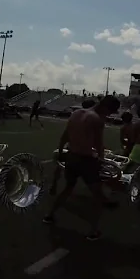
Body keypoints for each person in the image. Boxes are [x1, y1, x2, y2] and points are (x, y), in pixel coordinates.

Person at [43, 96, 121, 240]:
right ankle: (93, 231)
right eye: (110, 111)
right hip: (86, 161)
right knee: (97, 196)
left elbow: (65, 135)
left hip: (71, 156)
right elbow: (99, 144)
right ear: (105, 107)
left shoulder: (76, 113)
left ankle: (49, 215)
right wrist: (101, 160)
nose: (109, 114)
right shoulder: (97, 120)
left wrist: (61, 152)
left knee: (68, 188)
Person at [49, 99, 98, 195]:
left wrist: (60, 150)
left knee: (61, 168)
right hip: (79, 152)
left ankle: (54, 185)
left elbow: (64, 136)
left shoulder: (76, 117)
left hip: (71, 149)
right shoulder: (91, 120)